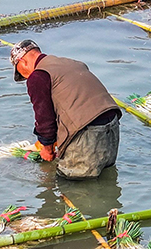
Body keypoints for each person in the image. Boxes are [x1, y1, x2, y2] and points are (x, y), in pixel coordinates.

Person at [10, 39, 121, 179]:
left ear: (23, 62)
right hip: (112, 127)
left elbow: (44, 117)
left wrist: (47, 148)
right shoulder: (72, 63)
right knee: (104, 180)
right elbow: (75, 104)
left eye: (22, 73)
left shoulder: (38, 76)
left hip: (88, 134)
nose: (26, 77)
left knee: (72, 186)